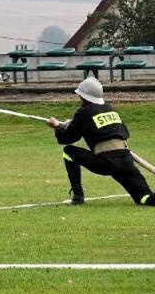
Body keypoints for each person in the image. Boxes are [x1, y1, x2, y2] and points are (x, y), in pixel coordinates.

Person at [48, 75, 154, 206]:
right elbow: (125, 132)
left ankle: (78, 197)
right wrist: (73, 124)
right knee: (145, 198)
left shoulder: (83, 112)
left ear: (83, 96)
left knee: (68, 152)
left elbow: (67, 138)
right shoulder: (110, 109)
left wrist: (57, 127)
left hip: (106, 162)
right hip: (126, 159)